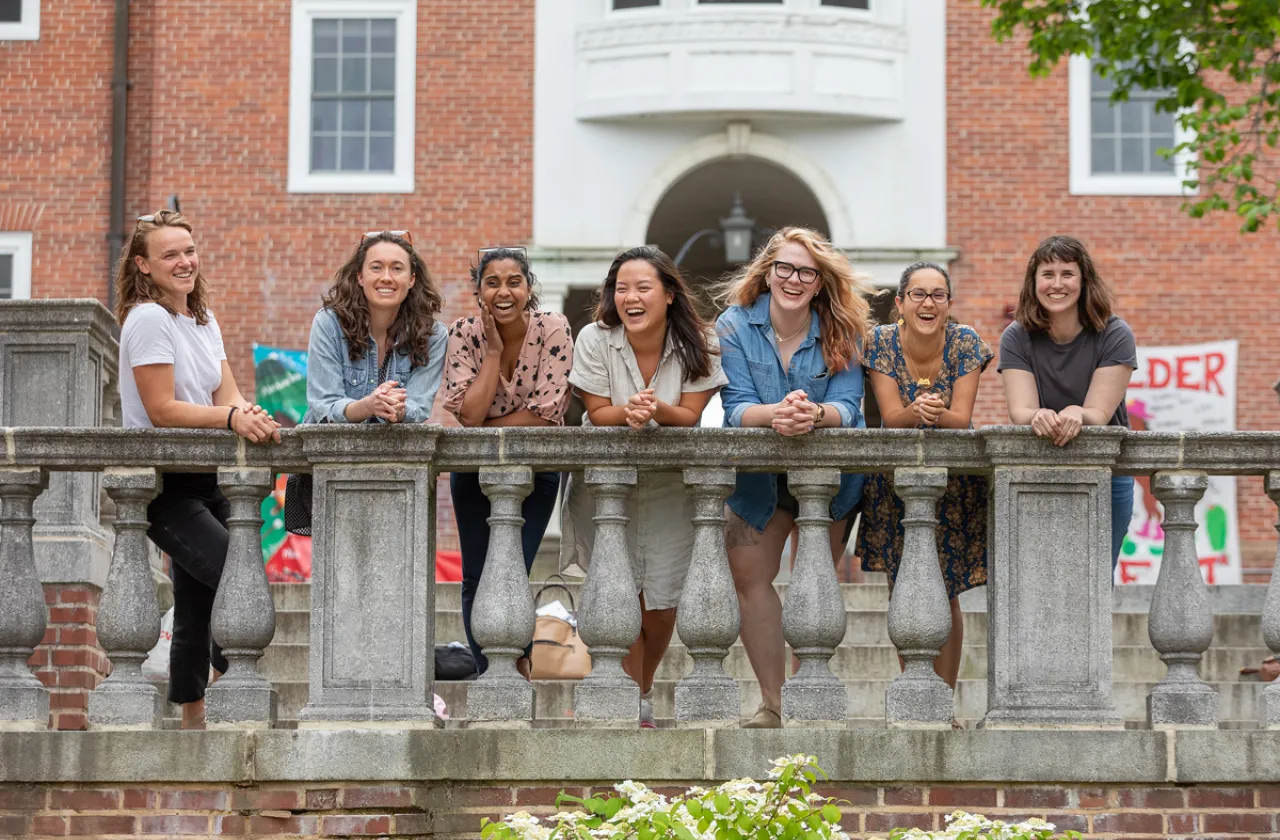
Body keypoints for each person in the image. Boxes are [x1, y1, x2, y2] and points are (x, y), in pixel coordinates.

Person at [114, 209, 281, 730]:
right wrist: (230, 418)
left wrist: (248, 413)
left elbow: (226, 393)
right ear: (143, 265)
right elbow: (162, 409)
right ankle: (227, 691)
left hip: (210, 476)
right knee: (238, 575)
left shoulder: (203, 320)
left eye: (189, 250)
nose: (184, 261)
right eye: (170, 254)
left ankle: (193, 716)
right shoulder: (148, 319)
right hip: (167, 484)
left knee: (196, 601)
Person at [560, 245, 727, 728]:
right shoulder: (595, 338)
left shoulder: (702, 342)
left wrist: (654, 409)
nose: (630, 297)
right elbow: (597, 413)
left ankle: (642, 686)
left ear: (669, 294)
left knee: (663, 601)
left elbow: (690, 416)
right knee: (620, 593)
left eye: (642, 287)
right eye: (621, 288)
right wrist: (628, 411)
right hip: (607, 487)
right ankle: (630, 702)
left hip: (672, 487)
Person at [716, 226, 872, 729]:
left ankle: (807, 698)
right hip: (757, 476)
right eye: (784, 267)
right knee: (747, 578)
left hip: (828, 477)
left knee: (814, 581)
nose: (794, 279)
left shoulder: (843, 328)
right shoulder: (734, 325)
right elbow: (736, 408)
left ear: (820, 281)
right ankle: (774, 702)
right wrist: (777, 415)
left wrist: (813, 415)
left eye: (807, 272)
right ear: (767, 273)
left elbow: (849, 406)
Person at [855, 261, 992, 692]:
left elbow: (962, 419)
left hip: (953, 483)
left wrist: (933, 413)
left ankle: (944, 699)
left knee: (946, 592)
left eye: (937, 295)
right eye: (918, 294)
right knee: (905, 589)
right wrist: (917, 411)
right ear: (900, 303)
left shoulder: (965, 342)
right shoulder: (880, 342)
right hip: (894, 484)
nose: (928, 303)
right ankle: (915, 692)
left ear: (948, 304)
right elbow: (891, 417)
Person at [443, 247, 573, 677]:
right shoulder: (463, 333)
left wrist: (484, 423)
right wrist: (494, 353)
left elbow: (547, 415)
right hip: (473, 473)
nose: (504, 291)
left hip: (537, 471)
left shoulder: (553, 328)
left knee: (514, 569)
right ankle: (490, 674)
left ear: (528, 288)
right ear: (479, 291)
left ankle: (517, 668)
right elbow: (468, 415)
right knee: (475, 576)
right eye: (492, 283)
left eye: (514, 282)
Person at [999, 234, 1137, 568]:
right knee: (1041, 574)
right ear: (1034, 282)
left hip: (1108, 473)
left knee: (1097, 575)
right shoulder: (1016, 336)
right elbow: (1021, 410)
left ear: (1084, 280)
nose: (1057, 284)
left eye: (1067, 274)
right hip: (1040, 469)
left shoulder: (1115, 333)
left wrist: (1079, 412)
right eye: (1047, 274)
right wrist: (1037, 415)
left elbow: (1099, 413)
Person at [303, 230, 447, 426]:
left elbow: (418, 406)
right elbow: (325, 404)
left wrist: (398, 409)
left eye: (397, 268)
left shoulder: (433, 336)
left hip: (395, 444)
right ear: (360, 277)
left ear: (411, 279)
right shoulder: (329, 323)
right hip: (328, 444)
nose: (386, 277)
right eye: (376, 268)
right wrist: (367, 406)